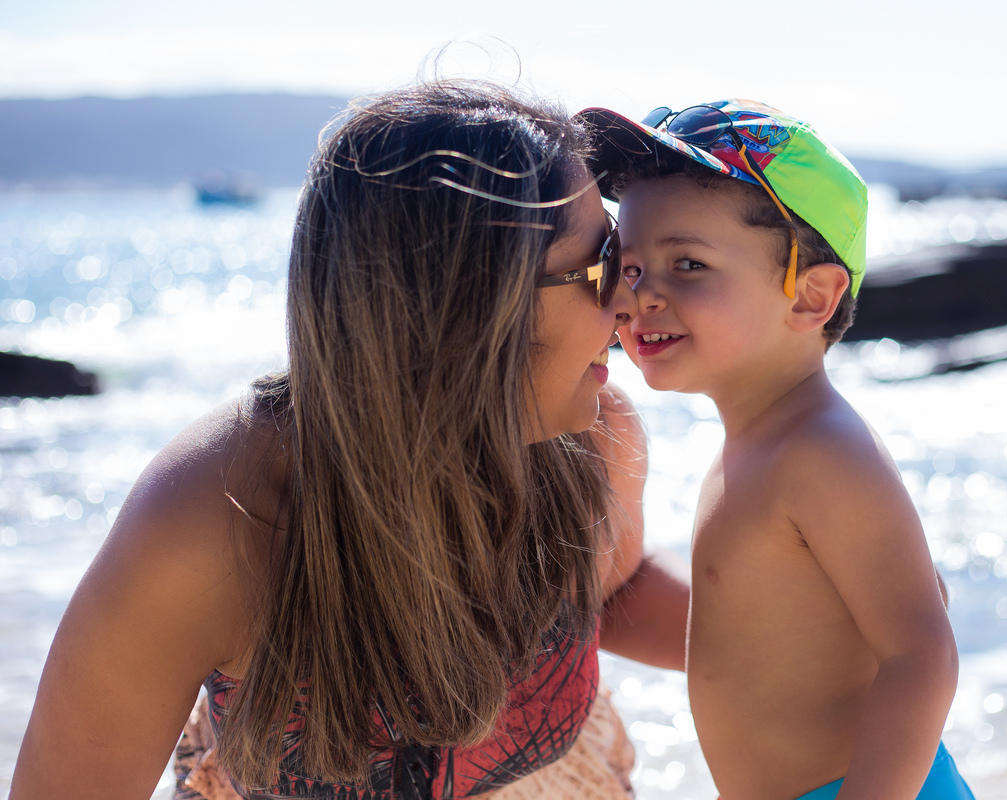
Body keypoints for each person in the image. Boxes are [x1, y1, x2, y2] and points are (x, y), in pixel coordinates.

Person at [12, 81, 690, 800]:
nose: (629, 298)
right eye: (602, 265)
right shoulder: (215, 520)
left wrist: (798, 635)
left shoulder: (592, 437)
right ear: (470, 301)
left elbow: (615, 589)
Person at [578, 100, 973, 800]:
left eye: (688, 264)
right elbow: (755, 646)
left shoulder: (822, 449)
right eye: (630, 268)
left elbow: (922, 655)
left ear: (811, 297)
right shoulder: (757, 445)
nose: (641, 298)